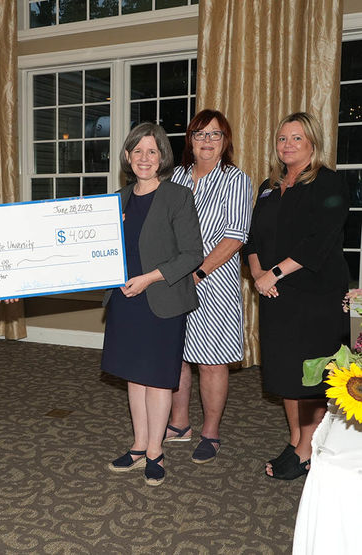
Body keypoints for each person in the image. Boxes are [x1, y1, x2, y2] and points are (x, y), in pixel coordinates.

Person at [245, 111, 349, 480]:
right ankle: (296, 440)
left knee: (311, 374)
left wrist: (272, 273)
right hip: (275, 294)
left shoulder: (329, 183)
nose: (287, 145)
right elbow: (253, 237)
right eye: (282, 139)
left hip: (314, 295)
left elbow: (318, 242)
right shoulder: (268, 186)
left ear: (312, 143)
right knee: (288, 373)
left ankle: (309, 449)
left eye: (296, 139)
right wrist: (259, 274)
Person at [101, 122, 203, 486]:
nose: (145, 158)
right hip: (125, 300)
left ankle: (157, 451)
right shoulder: (117, 199)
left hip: (161, 299)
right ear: (127, 156)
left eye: (152, 151)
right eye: (138, 151)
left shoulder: (178, 196)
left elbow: (193, 254)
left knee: (158, 378)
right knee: (134, 374)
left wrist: (149, 278)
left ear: (162, 157)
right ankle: (139, 444)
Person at [166, 110, 253, 463]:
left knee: (211, 362)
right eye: (200, 134)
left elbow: (234, 238)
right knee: (176, 357)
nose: (206, 141)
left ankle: (211, 431)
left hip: (213, 283)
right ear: (190, 139)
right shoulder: (175, 177)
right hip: (172, 281)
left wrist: (198, 273)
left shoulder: (236, 180)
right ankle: (179, 422)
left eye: (214, 135)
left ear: (225, 141)